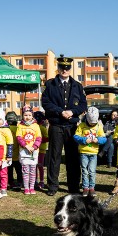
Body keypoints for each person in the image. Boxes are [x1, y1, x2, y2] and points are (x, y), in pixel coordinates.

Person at [41, 56, 87, 196]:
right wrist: (60, 112)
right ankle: (53, 186)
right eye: (62, 68)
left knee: (72, 158)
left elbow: (83, 105)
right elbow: (46, 103)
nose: (64, 70)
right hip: (56, 125)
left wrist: (72, 112)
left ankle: (73, 187)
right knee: (54, 157)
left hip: (71, 127)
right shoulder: (50, 84)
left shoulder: (77, 86)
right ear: (58, 68)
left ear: (70, 69)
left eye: (67, 68)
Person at [74, 106, 107, 197]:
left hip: (93, 153)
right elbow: (76, 137)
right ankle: (85, 187)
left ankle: (92, 187)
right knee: (84, 170)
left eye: (94, 123)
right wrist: (84, 140)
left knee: (92, 171)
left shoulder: (99, 127)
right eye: (90, 123)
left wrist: (98, 140)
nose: (92, 125)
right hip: (84, 152)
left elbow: (104, 139)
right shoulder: (81, 126)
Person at [16, 105, 42, 195]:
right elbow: (19, 137)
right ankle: (26, 188)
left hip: (34, 152)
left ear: (32, 116)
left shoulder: (36, 126)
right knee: (25, 171)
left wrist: (34, 147)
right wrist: (26, 146)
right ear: (23, 116)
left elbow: (39, 138)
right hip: (24, 151)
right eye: (25, 115)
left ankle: (32, 187)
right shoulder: (20, 126)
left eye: (29, 115)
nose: (27, 117)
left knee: (32, 170)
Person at [0, 109, 13, 196]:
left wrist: (9, 155)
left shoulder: (6, 130)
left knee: (3, 173)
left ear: (3, 120)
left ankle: (3, 188)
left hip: (4, 156)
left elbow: (10, 143)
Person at [6, 111, 23, 191]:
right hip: (17, 154)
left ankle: (10, 181)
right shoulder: (18, 129)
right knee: (19, 169)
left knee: (9, 170)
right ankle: (20, 181)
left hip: (8, 154)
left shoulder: (6, 129)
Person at [34, 111, 49, 190]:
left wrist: (38, 140)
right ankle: (35, 180)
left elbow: (47, 138)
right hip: (34, 150)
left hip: (41, 150)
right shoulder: (34, 127)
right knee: (35, 166)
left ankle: (41, 181)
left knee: (39, 165)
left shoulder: (42, 128)